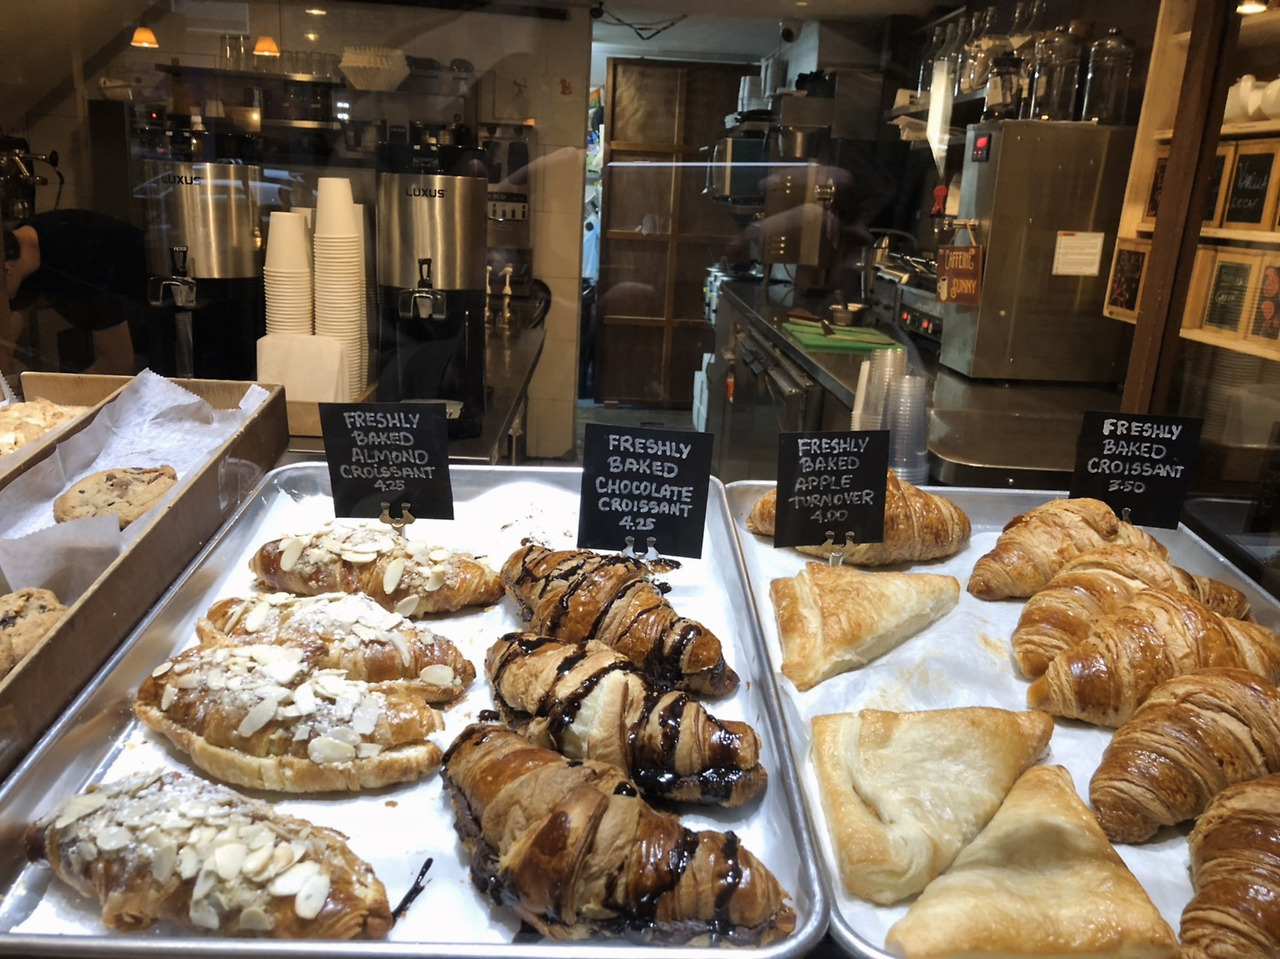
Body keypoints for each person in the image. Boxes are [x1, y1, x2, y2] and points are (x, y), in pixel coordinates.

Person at [2, 209, 145, 376]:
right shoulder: (18, 249)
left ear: (6, 270)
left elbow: (119, 362)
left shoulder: (82, 256)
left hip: (155, 320)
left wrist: (56, 393)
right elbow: (4, 342)